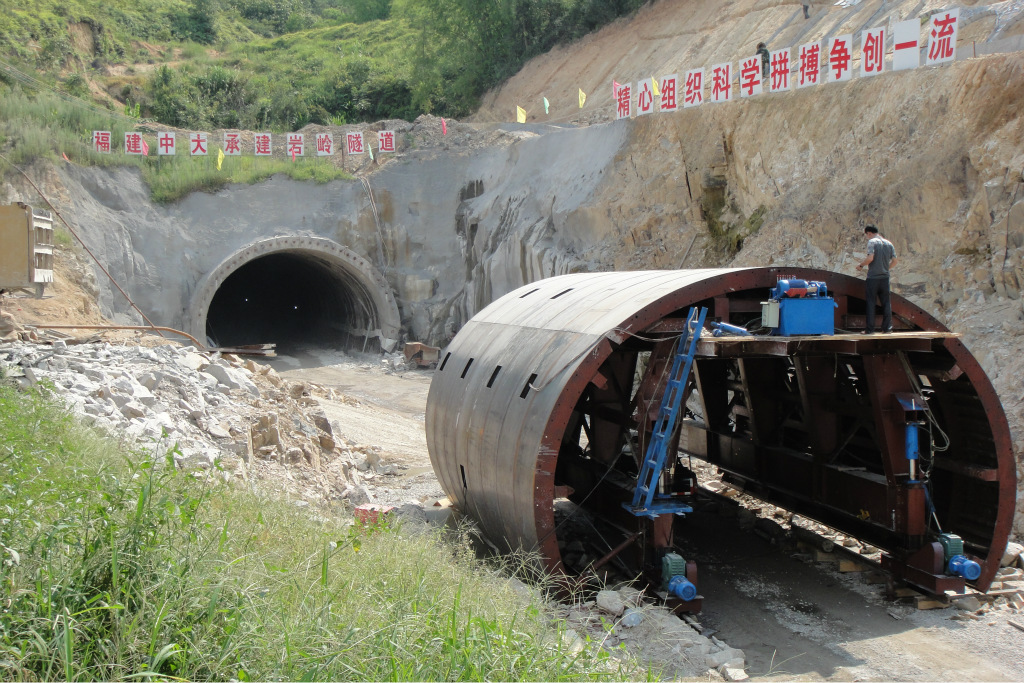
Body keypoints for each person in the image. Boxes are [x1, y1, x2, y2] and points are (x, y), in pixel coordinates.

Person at [855, 225, 898, 333]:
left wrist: (861, 265)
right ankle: (887, 329)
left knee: (871, 302)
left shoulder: (872, 242)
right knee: (886, 303)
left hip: (873, 278)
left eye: (867, 235)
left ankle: (870, 330)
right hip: (885, 278)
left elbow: (870, 258)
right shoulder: (889, 243)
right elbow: (895, 261)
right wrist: (886, 269)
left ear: (869, 233)